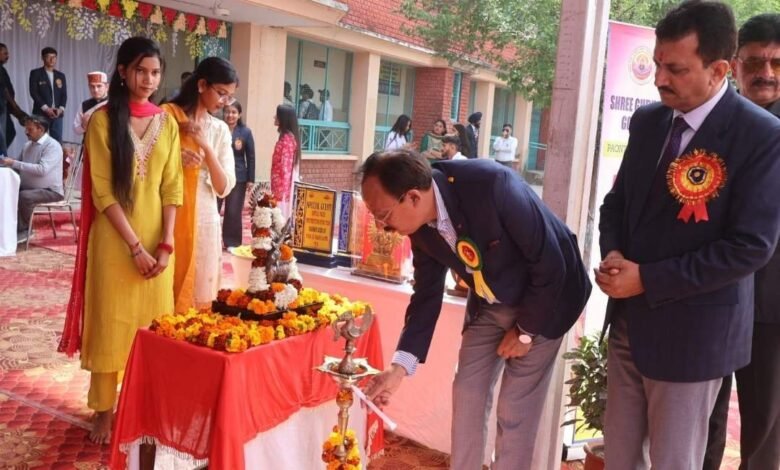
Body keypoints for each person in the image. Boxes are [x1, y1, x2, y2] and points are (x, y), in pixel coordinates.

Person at [595, 2, 780, 469]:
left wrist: (647, 279)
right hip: (629, 324)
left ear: (719, 70)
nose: (659, 79)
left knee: (675, 461)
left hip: (694, 335)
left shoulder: (761, 136)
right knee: (619, 457)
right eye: (658, 64)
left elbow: (750, 246)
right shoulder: (648, 122)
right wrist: (613, 254)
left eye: (676, 69)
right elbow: (617, 204)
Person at [362, 150, 591, 470]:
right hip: (491, 303)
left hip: (547, 300)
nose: (380, 225)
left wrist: (525, 333)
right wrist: (399, 369)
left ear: (412, 197)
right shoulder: (420, 228)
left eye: (383, 214)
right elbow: (426, 295)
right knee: (467, 392)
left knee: (515, 409)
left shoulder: (492, 185)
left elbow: (552, 264)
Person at [59, 36, 183, 444]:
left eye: (155, 72)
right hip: (116, 243)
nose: (149, 79)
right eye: (141, 71)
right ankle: (104, 410)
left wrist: (165, 244)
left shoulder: (167, 123)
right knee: (110, 323)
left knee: (154, 327)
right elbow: (102, 192)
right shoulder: (102, 121)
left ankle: (146, 404)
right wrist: (135, 247)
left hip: (158, 244)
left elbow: (172, 187)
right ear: (123, 72)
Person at [703, 12, 780, 470]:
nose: (765, 73)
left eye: (776, 63)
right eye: (754, 62)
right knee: (703, 417)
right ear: (733, 65)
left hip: (772, 304)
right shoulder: (713, 121)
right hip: (711, 294)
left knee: (764, 427)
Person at [165, 57, 236, 312]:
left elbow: (224, 187)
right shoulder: (169, 117)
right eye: (221, 93)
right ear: (202, 85)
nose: (224, 102)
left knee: (201, 295)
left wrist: (205, 146)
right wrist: (175, 157)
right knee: (167, 288)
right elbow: (148, 166)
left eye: (229, 97)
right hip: (171, 214)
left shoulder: (219, 130)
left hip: (205, 218)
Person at [0, 115, 63, 242]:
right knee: (5, 190)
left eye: (30, 129)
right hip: (28, 188)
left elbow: (42, 170)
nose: (26, 132)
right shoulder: (27, 145)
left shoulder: (52, 146)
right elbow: (17, 166)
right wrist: (4, 165)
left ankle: (25, 230)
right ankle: (7, 229)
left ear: (41, 129)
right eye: (26, 128)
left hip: (50, 191)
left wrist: (13, 163)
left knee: (24, 196)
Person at [218, 101, 255, 248]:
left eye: (233, 112)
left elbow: (250, 156)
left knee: (233, 210)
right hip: (218, 173)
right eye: (227, 112)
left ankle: (231, 242)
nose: (230, 115)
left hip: (238, 176)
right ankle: (211, 241)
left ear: (239, 115)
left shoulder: (245, 132)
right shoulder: (218, 128)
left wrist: (250, 179)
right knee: (213, 208)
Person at [29, 47, 67, 143]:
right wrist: (46, 108)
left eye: (54, 57)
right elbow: (33, 92)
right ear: (43, 58)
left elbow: (64, 94)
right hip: (40, 113)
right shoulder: (36, 73)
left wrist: (61, 109)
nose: (52, 60)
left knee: (57, 142)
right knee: (38, 141)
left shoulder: (60, 75)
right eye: (49, 57)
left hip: (57, 114)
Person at [271, 104, 301, 218]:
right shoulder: (286, 137)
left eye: (277, 115)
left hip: (281, 190)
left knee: (280, 218)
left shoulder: (287, 140)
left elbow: (286, 170)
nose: (274, 117)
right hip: (278, 187)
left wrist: (283, 195)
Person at [0, 44, 26, 152]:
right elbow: (4, 90)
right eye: (5, 53)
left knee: (9, 132)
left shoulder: (2, 69)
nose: (8, 56)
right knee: (2, 136)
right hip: (1, 108)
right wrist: (16, 108)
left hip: (4, 107)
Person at [73, 71, 109, 136]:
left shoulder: (113, 104)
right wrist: (83, 126)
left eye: (99, 86)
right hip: (89, 141)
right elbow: (76, 130)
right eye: (92, 86)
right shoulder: (84, 105)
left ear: (107, 87)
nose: (95, 90)